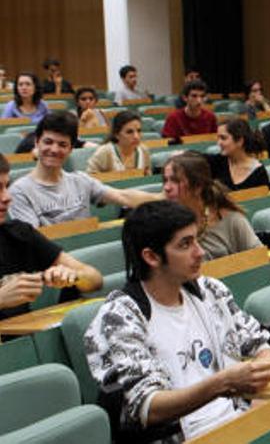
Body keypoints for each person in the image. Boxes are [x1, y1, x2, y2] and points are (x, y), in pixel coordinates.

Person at [84, 200, 270, 441]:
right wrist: (223, 384)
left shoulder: (210, 290)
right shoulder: (119, 317)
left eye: (197, 240)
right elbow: (148, 407)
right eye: (185, 244)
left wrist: (258, 383)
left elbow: (261, 346)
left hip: (239, 424)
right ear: (151, 257)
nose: (199, 252)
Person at [8, 112, 161, 228]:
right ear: (36, 143)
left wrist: (163, 197)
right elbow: (32, 242)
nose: (54, 150)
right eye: (48, 142)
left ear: (70, 149)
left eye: (62, 145)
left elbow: (123, 197)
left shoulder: (80, 181)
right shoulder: (20, 192)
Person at [0, 153, 103, 319]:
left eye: (6, 186)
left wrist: (74, 277)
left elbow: (95, 279)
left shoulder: (18, 233)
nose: (7, 197)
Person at [163, 152, 262, 260]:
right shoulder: (166, 224)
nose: (167, 187)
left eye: (175, 181)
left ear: (198, 187)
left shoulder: (231, 220)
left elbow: (259, 259)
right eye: (165, 180)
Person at [207, 118, 270, 191]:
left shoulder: (258, 172)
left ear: (240, 141)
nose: (219, 143)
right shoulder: (216, 162)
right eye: (218, 138)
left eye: (223, 138)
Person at [86, 111, 151, 175]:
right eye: (129, 132)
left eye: (139, 131)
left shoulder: (144, 150)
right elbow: (90, 177)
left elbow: (148, 177)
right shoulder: (105, 152)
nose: (136, 136)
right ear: (116, 135)